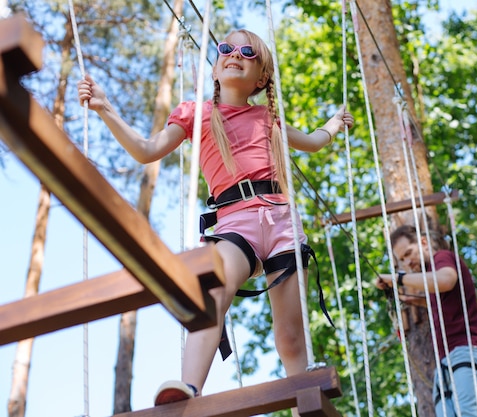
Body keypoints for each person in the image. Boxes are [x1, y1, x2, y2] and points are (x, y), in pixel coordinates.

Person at [78, 28, 354, 410]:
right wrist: (106, 108)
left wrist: (337, 123)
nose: (234, 53)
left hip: (281, 222)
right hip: (234, 223)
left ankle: (304, 399)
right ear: (215, 68)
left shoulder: (268, 119)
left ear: (261, 79)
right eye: (227, 48)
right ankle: (190, 387)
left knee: (290, 334)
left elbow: (314, 139)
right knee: (213, 295)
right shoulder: (196, 114)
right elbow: (146, 150)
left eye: (248, 52)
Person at [375, 217, 477, 417]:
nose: (408, 262)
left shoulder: (441, 258)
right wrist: (407, 299)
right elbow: (438, 300)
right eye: (402, 260)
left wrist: (396, 278)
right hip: (447, 360)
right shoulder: (432, 276)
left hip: (465, 350)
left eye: (409, 253)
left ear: (423, 242)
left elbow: (446, 281)